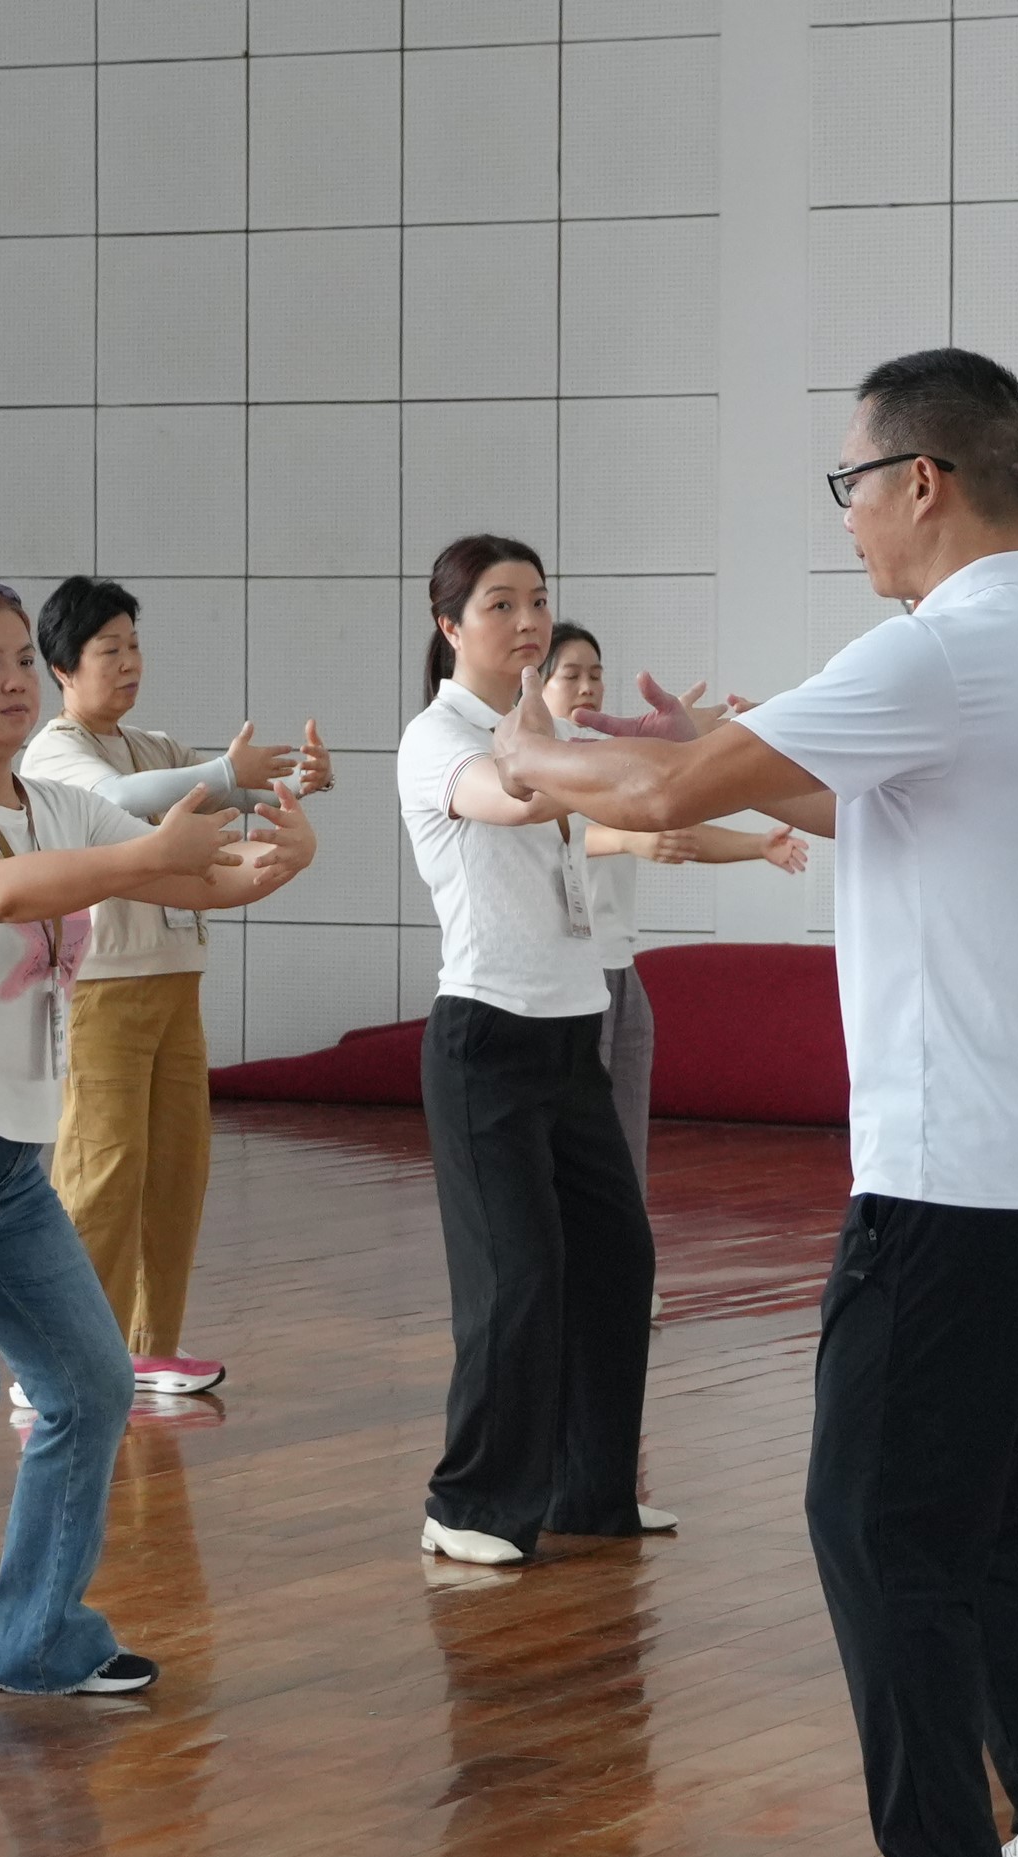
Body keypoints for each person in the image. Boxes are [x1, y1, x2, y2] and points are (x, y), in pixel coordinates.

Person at [489, 348, 1018, 1857]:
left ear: (921, 483)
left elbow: (657, 790)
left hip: (954, 1173)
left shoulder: (937, 648)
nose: (847, 517)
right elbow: (869, 792)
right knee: (1009, 1533)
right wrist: (721, 744)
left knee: (874, 1521)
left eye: (851, 484)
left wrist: (529, 752)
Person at [0, 575, 312, 1739]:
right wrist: (155, 858)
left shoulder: (59, 805)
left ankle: (34, 1641)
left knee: (91, 1386)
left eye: (20, 661)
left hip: (5, 1168)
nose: (13, 682)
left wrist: (280, 856)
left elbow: (207, 877)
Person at [393, 536, 670, 1569]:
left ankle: (587, 1493)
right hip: (485, 1039)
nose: (527, 621)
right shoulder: (436, 738)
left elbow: (590, 793)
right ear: (450, 625)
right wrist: (625, 771)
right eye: (500, 603)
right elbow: (512, 796)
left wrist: (651, 757)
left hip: (571, 1033)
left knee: (614, 1263)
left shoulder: (552, 730)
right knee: (515, 1281)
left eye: (538, 601)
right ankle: (466, 1502)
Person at [22, 575, 332, 1401]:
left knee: (174, 1169)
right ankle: (60, 1355)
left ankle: (146, 1344)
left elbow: (230, 797)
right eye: (108, 649)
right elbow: (115, 801)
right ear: (62, 666)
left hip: (173, 981)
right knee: (102, 1168)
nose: (129, 662)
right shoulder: (53, 753)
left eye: (134, 645)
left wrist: (299, 782)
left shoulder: (154, 745)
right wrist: (222, 771)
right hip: (102, 990)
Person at [533, 620, 804, 1188]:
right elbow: (555, 834)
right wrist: (628, 837)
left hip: (620, 971)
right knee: (572, 1150)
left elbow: (677, 831)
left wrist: (757, 845)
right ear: (535, 683)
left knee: (625, 1146)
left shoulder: (614, 760)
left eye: (596, 675)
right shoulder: (529, 762)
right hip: (565, 979)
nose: (587, 687)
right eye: (571, 675)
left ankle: (623, 1242)